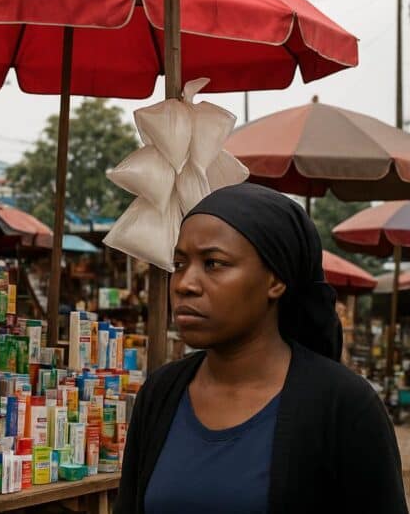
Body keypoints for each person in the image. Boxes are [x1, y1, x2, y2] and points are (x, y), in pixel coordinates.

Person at [116, 183, 406, 514]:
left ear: (275, 281)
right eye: (179, 264)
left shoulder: (344, 407)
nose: (185, 284)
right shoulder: (160, 394)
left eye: (213, 263)